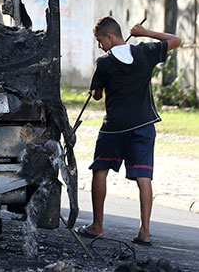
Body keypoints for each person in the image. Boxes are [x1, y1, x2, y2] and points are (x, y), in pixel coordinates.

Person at [76, 17, 181, 246]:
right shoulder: (145, 53)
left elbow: (97, 95)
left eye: (100, 40)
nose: (99, 46)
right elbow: (176, 40)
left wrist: (95, 90)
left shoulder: (103, 64)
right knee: (144, 177)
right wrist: (144, 33)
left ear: (110, 37)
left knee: (100, 170)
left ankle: (97, 226)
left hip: (114, 128)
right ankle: (145, 232)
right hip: (144, 125)